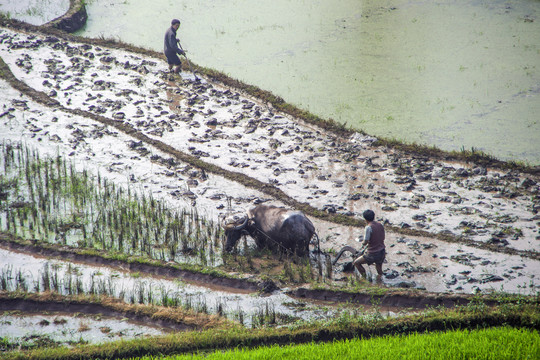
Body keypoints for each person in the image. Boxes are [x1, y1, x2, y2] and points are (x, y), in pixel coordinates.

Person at [353, 209, 386, 279]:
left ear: (365, 219)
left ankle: (365, 278)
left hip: (373, 253)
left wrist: (362, 242)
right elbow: (383, 237)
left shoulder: (368, 227)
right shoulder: (380, 225)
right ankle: (381, 281)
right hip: (382, 251)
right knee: (379, 268)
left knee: (356, 263)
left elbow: (365, 242)